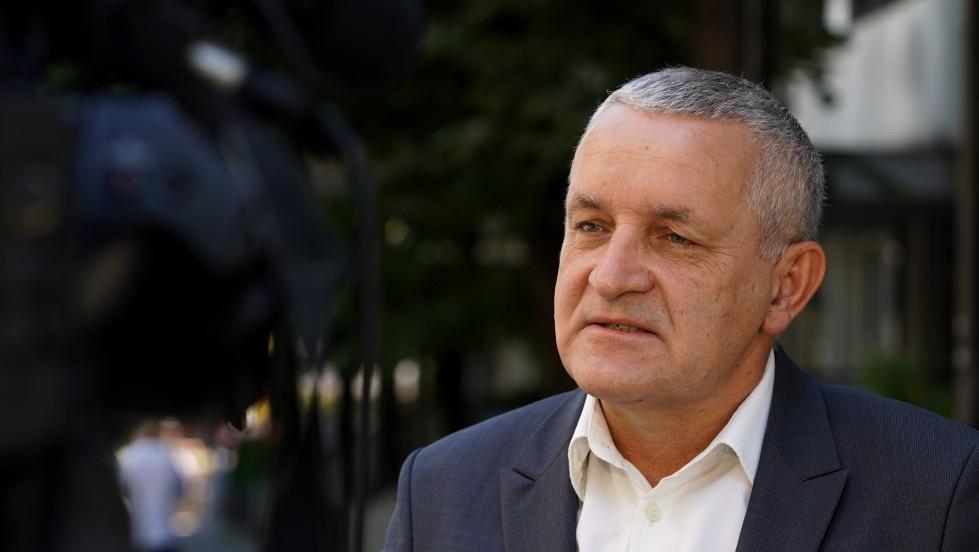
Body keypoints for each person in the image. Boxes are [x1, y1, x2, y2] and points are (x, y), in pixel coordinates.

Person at [382, 67, 979, 551]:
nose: (611, 276)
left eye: (674, 238)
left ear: (786, 286)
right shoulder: (439, 491)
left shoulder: (938, 493)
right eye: (591, 226)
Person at [117, 419, 186, 552]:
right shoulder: (166, 455)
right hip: (165, 535)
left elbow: (122, 490)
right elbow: (180, 489)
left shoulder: (128, 456)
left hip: (137, 534)